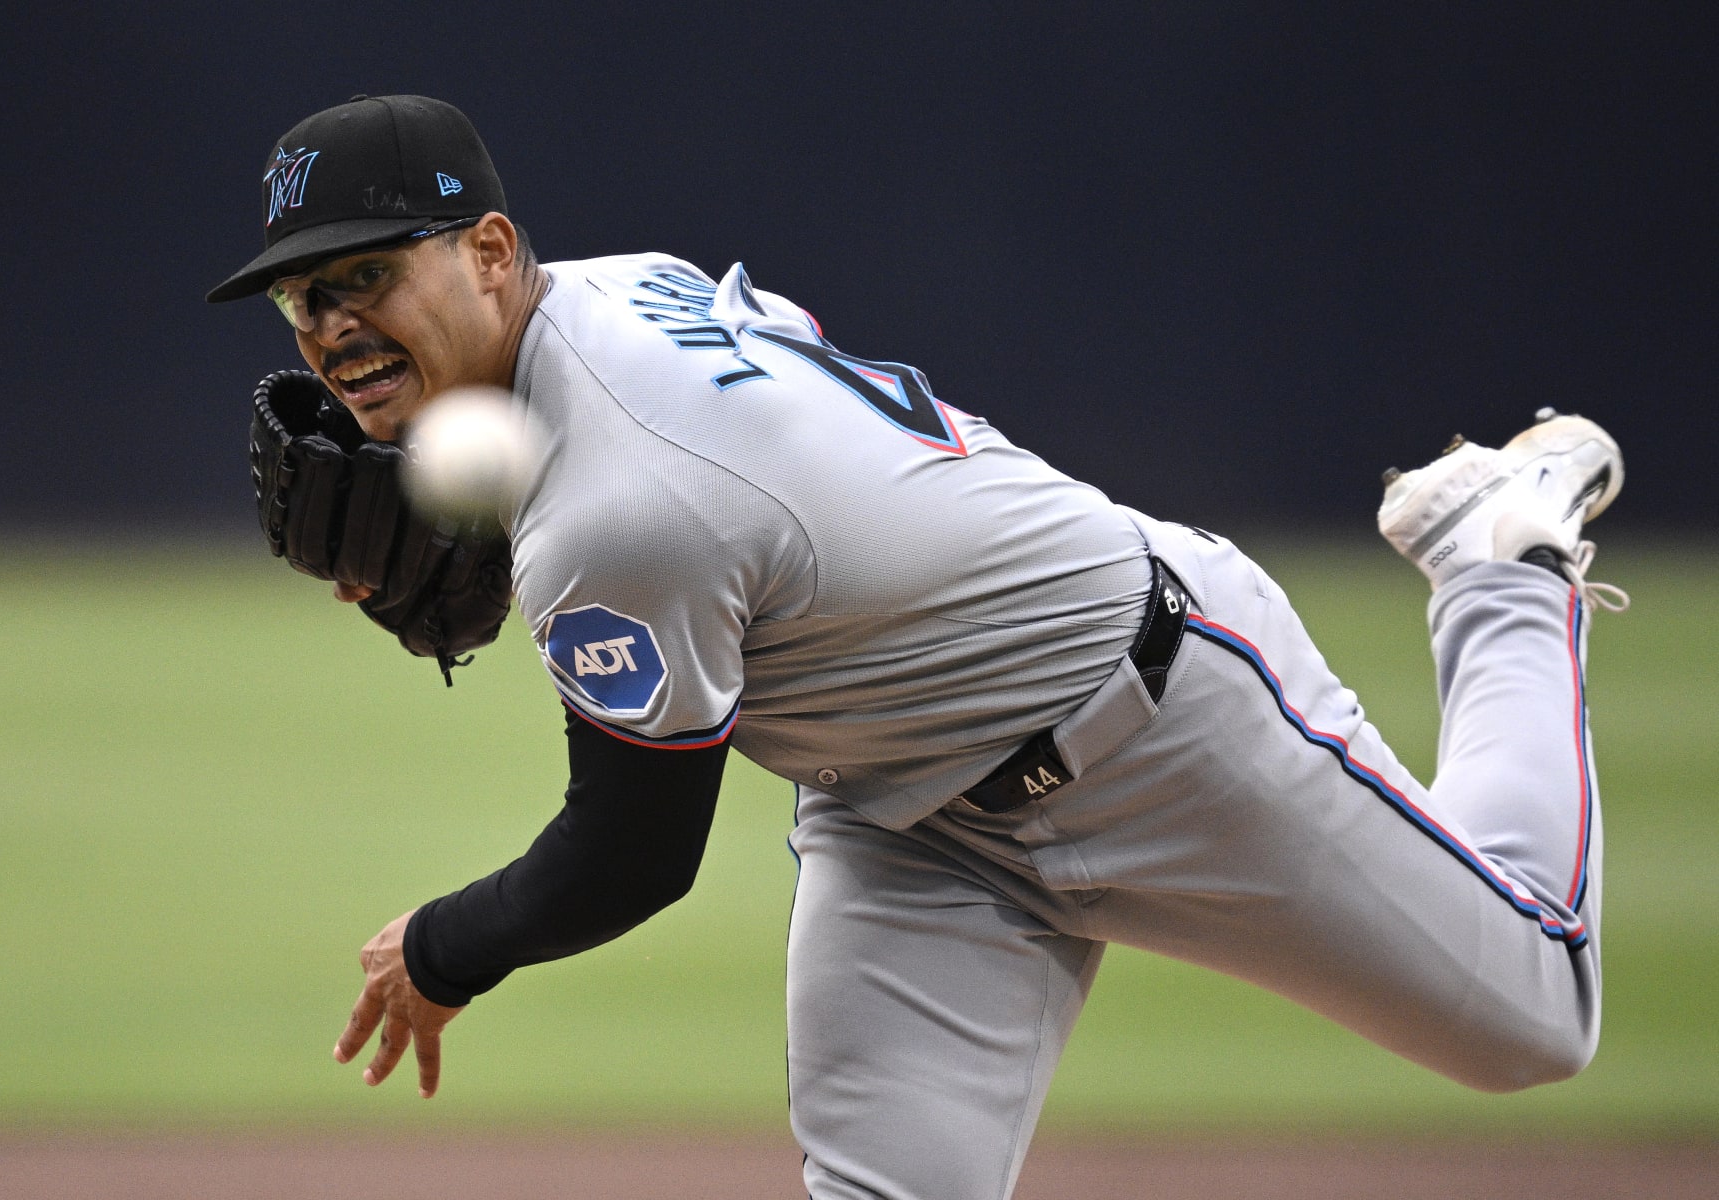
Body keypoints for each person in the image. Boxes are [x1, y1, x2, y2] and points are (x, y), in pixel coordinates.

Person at [208, 95, 1627, 1200]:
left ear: (492, 254)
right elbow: (740, 495)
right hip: (911, 819)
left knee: (1532, 1016)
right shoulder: (607, 288)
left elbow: (631, 852)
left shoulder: (616, 514)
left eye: (366, 276)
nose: (333, 326)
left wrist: (444, 951)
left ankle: (1496, 562)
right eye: (302, 299)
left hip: (1163, 717)